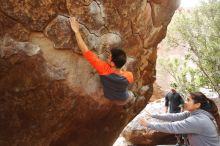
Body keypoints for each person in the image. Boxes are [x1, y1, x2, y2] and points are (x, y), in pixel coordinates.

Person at [69, 17, 133, 105]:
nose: (107, 58)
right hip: (123, 99)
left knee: (129, 95)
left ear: (112, 63)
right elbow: (124, 77)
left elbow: (85, 50)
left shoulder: (102, 69)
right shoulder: (129, 76)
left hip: (109, 97)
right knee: (131, 95)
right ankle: (131, 99)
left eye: (109, 57)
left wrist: (76, 31)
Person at [140, 92, 220, 146]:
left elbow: (172, 127)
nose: (185, 102)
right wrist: (154, 115)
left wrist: (148, 124)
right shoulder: (192, 113)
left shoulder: (198, 120)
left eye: (188, 100)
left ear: (197, 105)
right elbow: (174, 116)